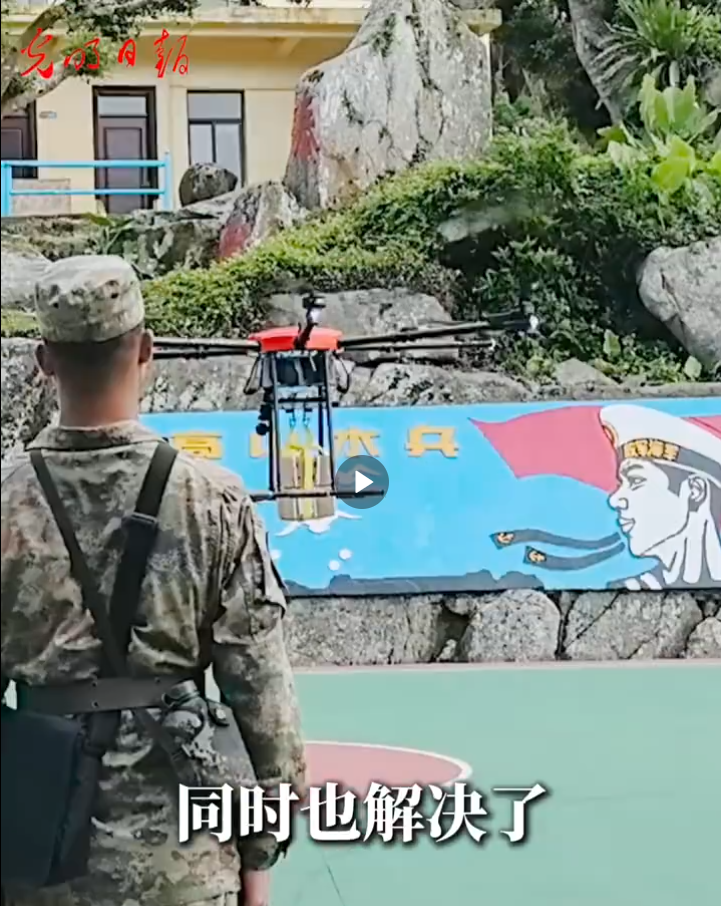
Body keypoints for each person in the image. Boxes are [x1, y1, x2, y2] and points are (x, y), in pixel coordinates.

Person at [1, 255, 307, 906]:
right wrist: (257, 856)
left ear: (44, 361)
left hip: (35, 863)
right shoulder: (212, 501)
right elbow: (262, 698)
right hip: (183, 868)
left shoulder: (5, 501)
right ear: (146, 351)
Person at [600, 403, 721, 589]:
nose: (615, 499)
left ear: (694, 491)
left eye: (636, 480)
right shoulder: (630, 587)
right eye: (621, 483)